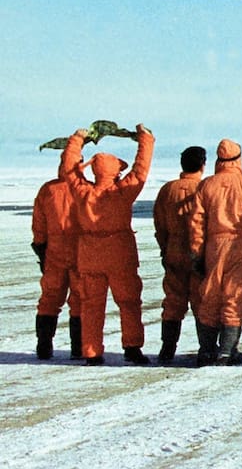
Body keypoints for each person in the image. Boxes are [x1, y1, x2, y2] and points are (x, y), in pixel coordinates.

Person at [58, 123, 155, 366]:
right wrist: (146, 139)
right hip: (120, 253)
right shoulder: (123, 192)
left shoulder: (83, 192)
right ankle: (132, 348)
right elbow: (140, 170)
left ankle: (91, 353)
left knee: (91, 306)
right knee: (129, 303)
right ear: (115, 171)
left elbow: (69, 170)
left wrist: (77, 139)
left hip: (90, 254)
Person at [188, 139, 242, 366]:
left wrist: (196, 252)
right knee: (234, 296)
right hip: (240, 245)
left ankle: (206, 350)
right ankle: (226, 351)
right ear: (239, 159)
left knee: (210, 294)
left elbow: (196, 222)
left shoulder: (207, 185)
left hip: (214, 246)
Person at [152, 145, 207, 364]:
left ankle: (167, 348)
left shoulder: (167, 190)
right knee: (201, 301)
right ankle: (206, 348)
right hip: (198, 252)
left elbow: (160, 224)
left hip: (174, 250)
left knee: (173, 301)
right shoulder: (204, 189)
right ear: (203, 165)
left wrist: (165, 250)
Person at [31, 173, 83, 360]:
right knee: (80, 299)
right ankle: (79, 348)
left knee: (49, 299)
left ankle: (43, 346)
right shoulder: (84, 188)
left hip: (53, 253)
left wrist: (41, 249)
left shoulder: (48, 189)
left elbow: (38, 224)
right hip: (80, 252)